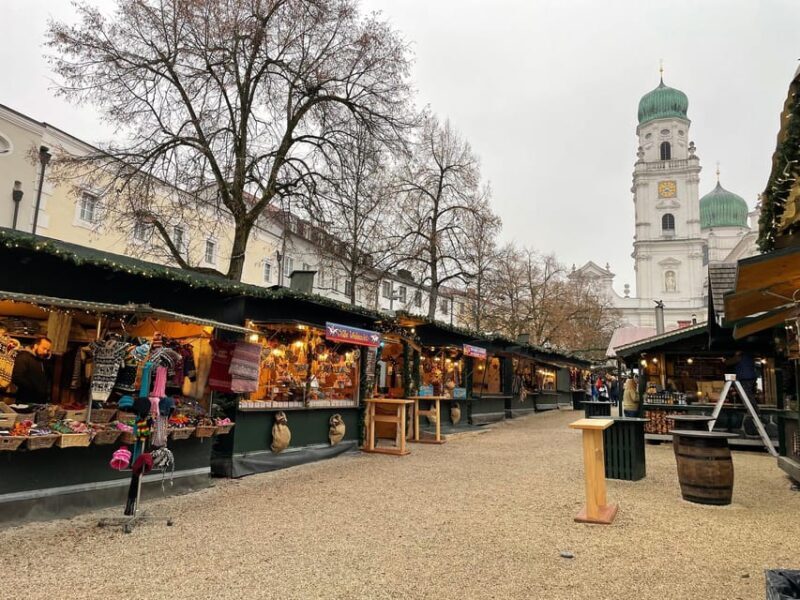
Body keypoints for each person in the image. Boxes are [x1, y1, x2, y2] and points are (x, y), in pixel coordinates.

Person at [10, 336, 53, 404]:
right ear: (36, 346)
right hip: (26, 401)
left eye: (47, 350)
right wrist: (34, 388)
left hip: (40, 401)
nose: (45, 352)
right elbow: (17, 378)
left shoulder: (42, 360)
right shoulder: (24, 356)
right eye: (44, 348)